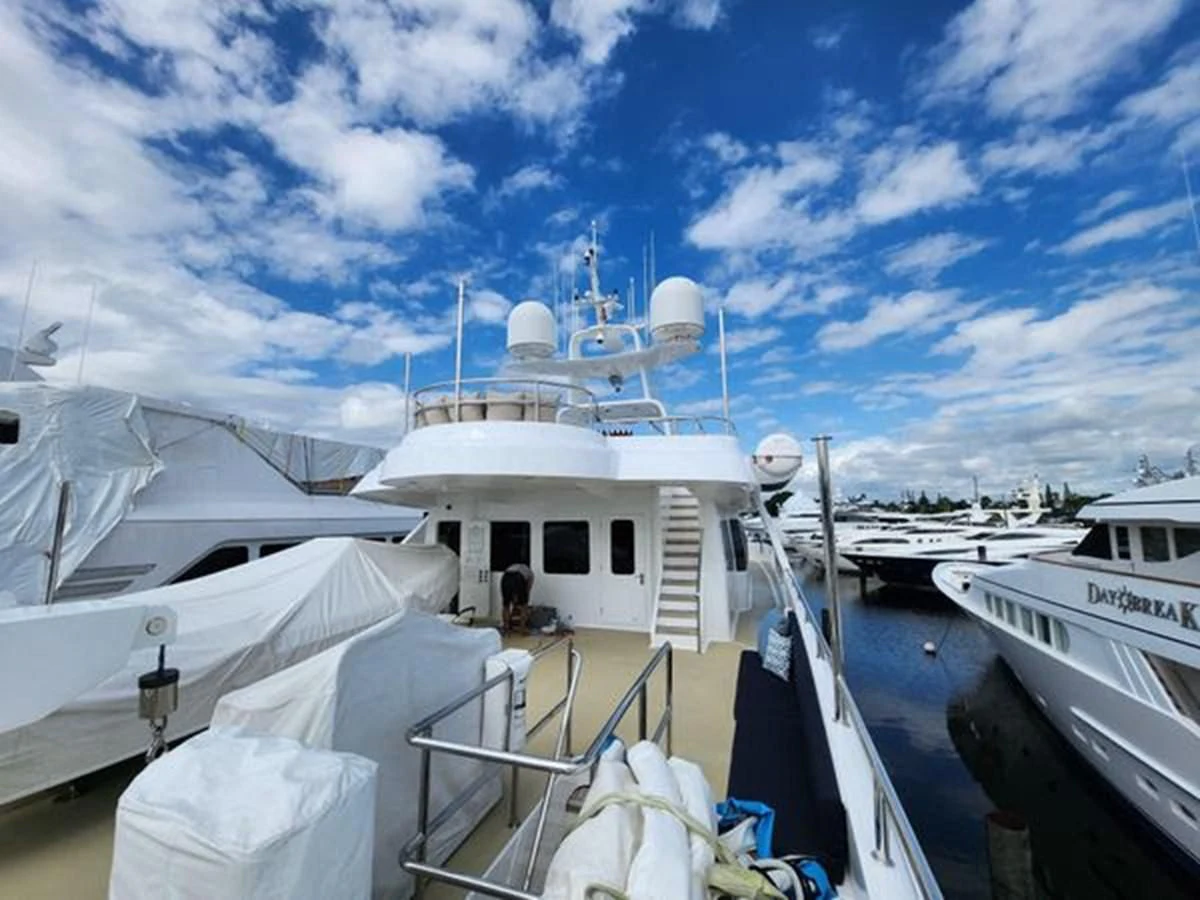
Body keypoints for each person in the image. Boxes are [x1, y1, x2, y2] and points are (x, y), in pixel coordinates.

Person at [500, 562, 534, 633]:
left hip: (505, 577)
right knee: (524, 606)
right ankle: (522, 628)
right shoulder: (530, 573)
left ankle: (506, 627)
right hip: (518, 577)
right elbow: (527, 589)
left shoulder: (513, 566)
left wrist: (515, 600)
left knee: (506, 605)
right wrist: (522, 601)